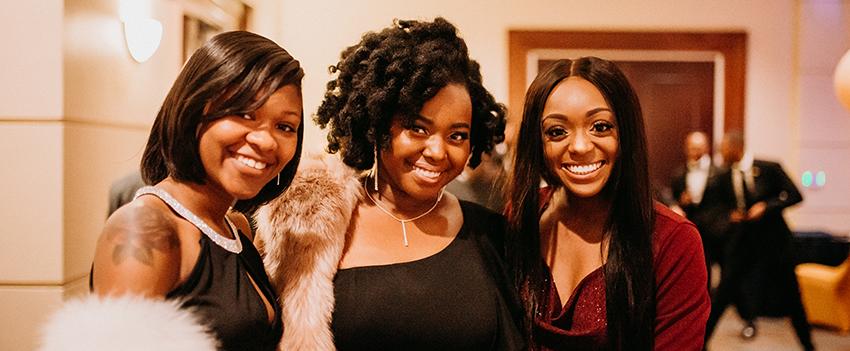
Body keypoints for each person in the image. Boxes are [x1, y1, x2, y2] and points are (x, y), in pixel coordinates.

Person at [254, 18, 524, 350]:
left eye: (457, 135)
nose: (437, 151)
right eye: (418, 128)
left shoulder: (492, 235)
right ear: (379, 125)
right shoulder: (306, 226)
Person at [89, 31, 305, 351]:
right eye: (244, 114)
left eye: (285, 127)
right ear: (192, 111)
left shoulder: (238, 228)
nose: (266, 141)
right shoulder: (146, 230)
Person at [505, 57, 710, 350]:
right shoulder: (521, 216)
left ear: (626, 132)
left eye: (600, 127)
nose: (579, 146)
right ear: (537, 141)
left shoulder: (673, 241)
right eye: (556, 131)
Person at [704, 131, 814, 350]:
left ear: (736, 147)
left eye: (724, 147)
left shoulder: (769, 168)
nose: (721, 152)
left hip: (774, 243)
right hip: (743, 243)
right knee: (722, 294)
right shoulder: (725, 176)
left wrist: (766, 207)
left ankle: (808, 345)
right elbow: (716, 207)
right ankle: (699, 344)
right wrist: (729, 215)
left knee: (792, 297)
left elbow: (795, 195)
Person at [669, 131, 724, 290]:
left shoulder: (720, 172)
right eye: (692, 148)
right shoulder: (679, 174)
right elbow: (674, 200)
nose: (695, 151)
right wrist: (681, 201)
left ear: (706, 148)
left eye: (698, 147)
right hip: (691, 227)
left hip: (716, 230)